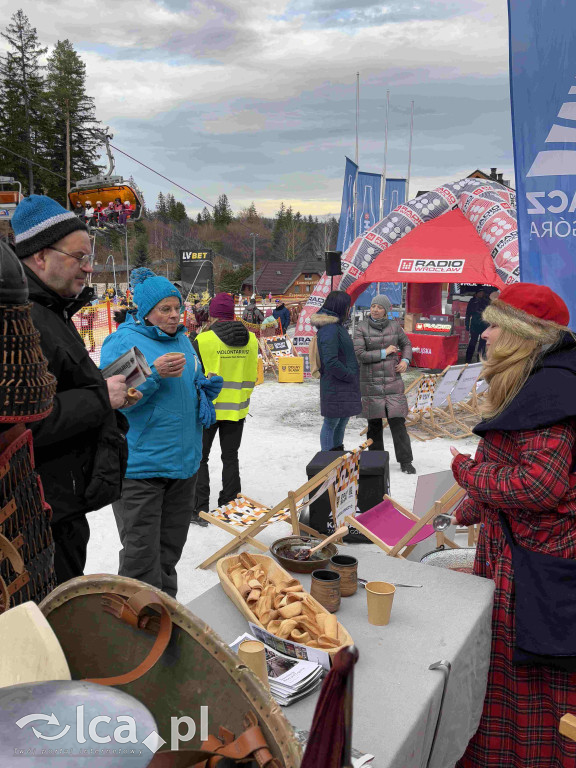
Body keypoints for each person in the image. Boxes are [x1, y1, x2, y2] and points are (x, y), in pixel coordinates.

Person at [450, 283, 576, 768]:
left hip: (532, 575)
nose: (485, 334)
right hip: (523, 560)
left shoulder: (550, 391)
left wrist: (468, 474)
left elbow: (540, 486)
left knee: (527, 688)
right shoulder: (541, 383)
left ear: (521, 334)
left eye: (494, 323)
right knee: (510, 683)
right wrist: (468, 508)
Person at [10, 194, 131, 584]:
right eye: (79, 257)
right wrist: (101, 398)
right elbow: (24, 424)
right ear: (41, 256)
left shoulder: (49, 312)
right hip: (38, 514)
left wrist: (106, 393)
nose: (89, 267)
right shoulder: (20, 321)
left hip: (58, 505)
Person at [100, 268, 222, 595]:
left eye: (176, 307)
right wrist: (154, 373)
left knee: (168, 553)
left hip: (182, 464)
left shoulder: (183, 339)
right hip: (141, 469)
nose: (173, 315)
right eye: (164, 309)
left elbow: (183, 386)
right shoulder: (124, 341)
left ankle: (164, 614)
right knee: (141, 557)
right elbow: (116, 399)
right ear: (145, 311)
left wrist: (202, 390)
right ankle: (138, 629)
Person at [193, 292, 258, 518]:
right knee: (231, 456)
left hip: (207, 409)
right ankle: (230, 502)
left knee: (200, 458)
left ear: (213, 315)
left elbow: (194, 376)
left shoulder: (203, 339)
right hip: (237, 408)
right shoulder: (252, 339)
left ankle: (198, 507)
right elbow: (253, 376)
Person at [353, 294, 416, 474]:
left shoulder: (395, 326)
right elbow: (360, 354)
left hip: (392, 382)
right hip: (370, 383)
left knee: (398, 422)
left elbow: (407, 344)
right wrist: (384, 352)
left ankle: (406, 462)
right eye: (373, 306)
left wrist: (405, 360)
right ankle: (375, 461)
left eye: (379, 307)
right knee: (374, 424)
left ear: (386, 310)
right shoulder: (362, 327)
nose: (375, 309)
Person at [310, 290, 362, 451]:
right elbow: (330, 360)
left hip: (342, 385)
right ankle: (326, 460)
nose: (349, 309)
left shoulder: (335, 326)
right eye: (348, 306)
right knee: (331, 422)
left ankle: (337, 452)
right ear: (341, 307)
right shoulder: (330, 329)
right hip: (336, 384)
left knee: (342, 420)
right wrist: (349, 374)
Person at [465, 288, 489, 363]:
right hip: (474, 325)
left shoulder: (486, 301)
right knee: (472, 342)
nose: (481, 294)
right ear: (476, 293)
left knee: (482, 344)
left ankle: (480, 359)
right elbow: (468, 314)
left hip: (483, 325)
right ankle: (468, 359)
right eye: (480, 292)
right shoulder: (472, 301)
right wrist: (467, 324)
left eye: (482, 293)